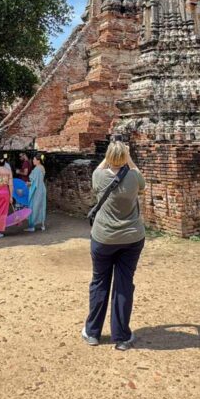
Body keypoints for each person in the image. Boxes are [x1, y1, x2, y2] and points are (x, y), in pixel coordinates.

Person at [82, 139, 146, 351]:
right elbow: (140, 180)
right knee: (124, 284)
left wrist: (112, 153)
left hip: (104, 238)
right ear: (125, 157)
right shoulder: (134, 178)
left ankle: (92, 333)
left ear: (109, 157)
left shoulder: (99, 176)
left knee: (99, 282)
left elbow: (102, 167)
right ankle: (121, 337)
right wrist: (127, 155)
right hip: (131, 238)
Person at [27, 153, 47, 232]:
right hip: (42, 188)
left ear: (38, 161)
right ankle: (42, 225)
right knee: (41, 206)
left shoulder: (37, 169)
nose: (33, 161)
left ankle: (32, 225)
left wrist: (29, 183)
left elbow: (34, 183)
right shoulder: (42, 168)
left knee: (34, 206)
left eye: (34, 160)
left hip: (37, 189)